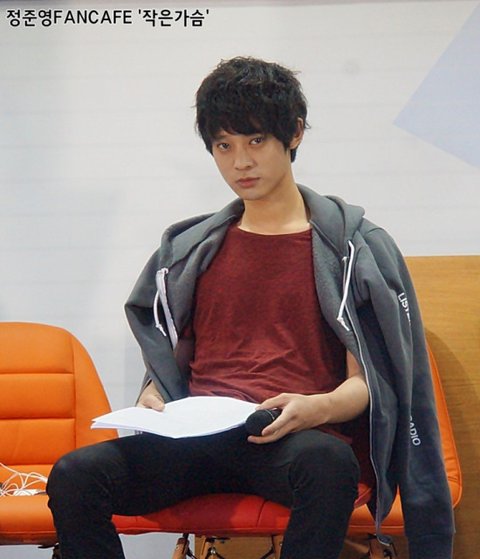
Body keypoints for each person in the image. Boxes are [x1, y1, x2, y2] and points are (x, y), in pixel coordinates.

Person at [47, 56, 454, 559]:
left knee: (328, 465)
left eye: (256, 141)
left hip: (290, 437)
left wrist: (317, 407)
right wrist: (154, 393)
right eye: (224, 145)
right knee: (75, 475)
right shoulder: (190, 250)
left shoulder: (352, 249)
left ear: (295, 133)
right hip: (196, 439)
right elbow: (175, 357)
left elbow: (367, 382)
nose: (240, 162)